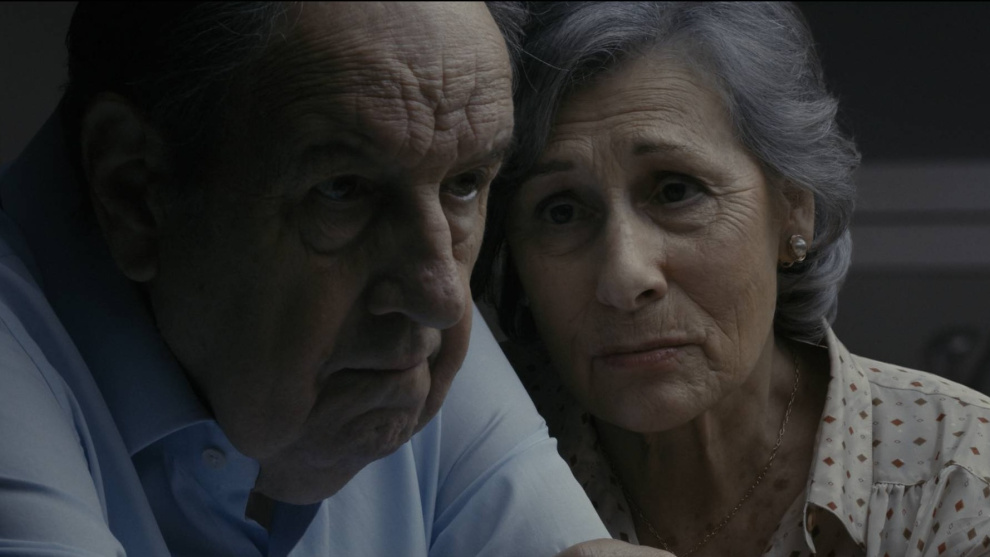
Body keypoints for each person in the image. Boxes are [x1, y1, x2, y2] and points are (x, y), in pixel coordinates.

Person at [0, 2, 668, 556]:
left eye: (465, 183)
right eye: (343, 190)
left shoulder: (393, 321)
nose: (442, 297)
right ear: (136, 193)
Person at [475, 2, 990, 556]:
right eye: (560, 211)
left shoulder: (960, 477)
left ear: (793, 210)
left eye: (676, 191)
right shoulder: (462, 457)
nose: (625, 277)